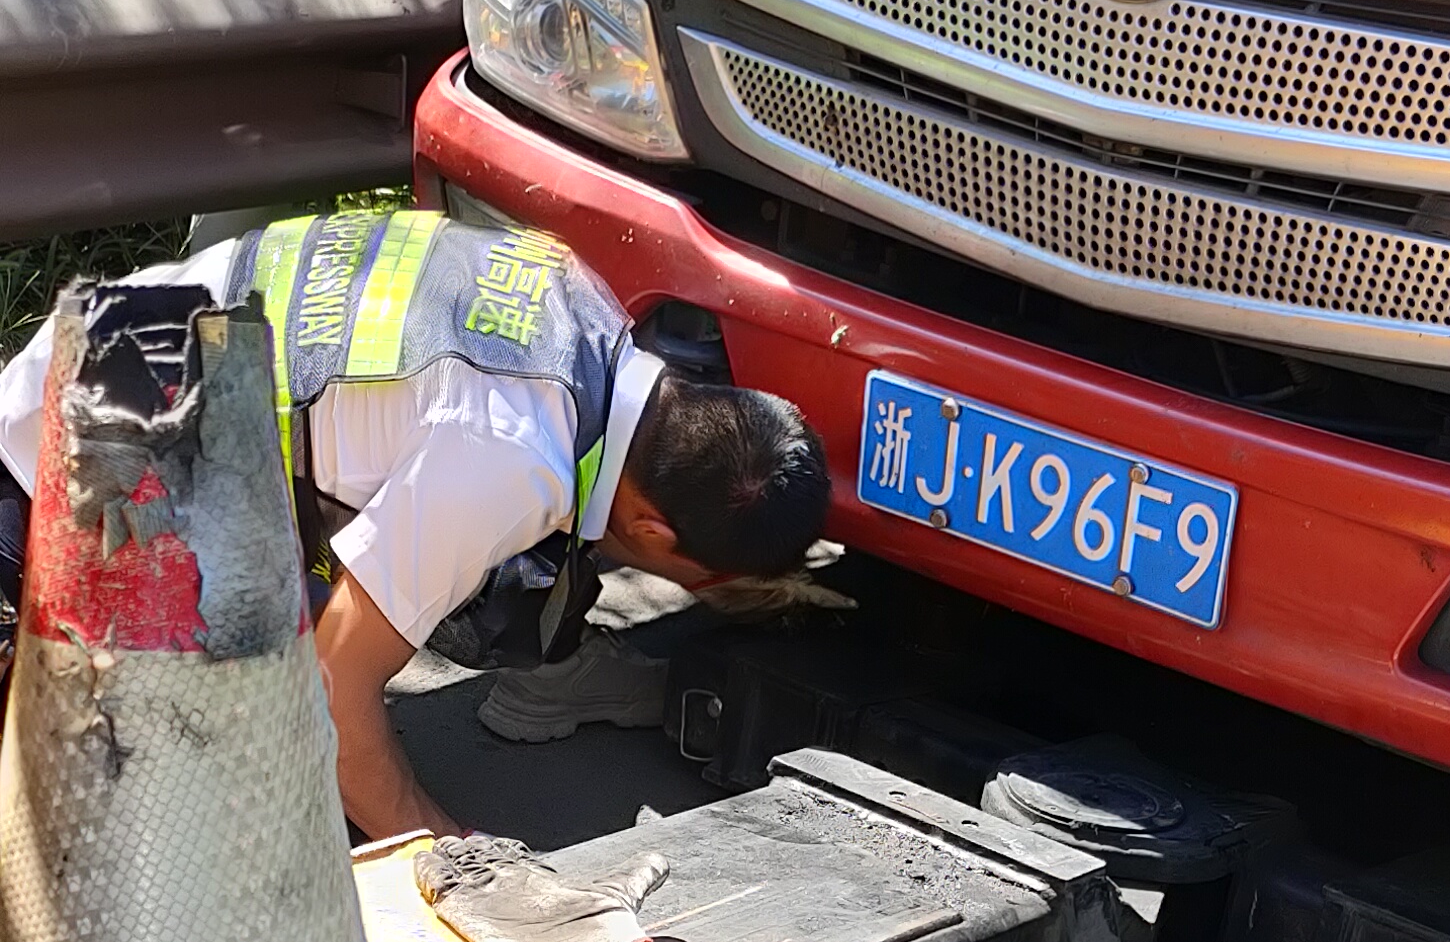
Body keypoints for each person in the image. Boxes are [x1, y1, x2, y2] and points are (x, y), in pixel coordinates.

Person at [0, 205, 832, 841]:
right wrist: (445, 851)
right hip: (69, 472)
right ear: (653, 533)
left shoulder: (583, 304)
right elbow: (333, 689)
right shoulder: (512, 457)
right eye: (701, 578)